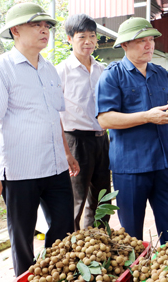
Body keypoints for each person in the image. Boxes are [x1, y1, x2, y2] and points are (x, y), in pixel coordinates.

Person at [0, 2, 79, 276]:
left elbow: (53, 115)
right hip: (21, 172)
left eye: (47, 26)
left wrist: (67, 153)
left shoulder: (49, 69)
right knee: (22, 239)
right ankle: (25, 277)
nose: (45, 30)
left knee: (64, 231)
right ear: (15, 31)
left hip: (56, 168)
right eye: (36, 25)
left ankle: (55, 275)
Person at [96, 17, 168, 244]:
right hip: (130, 166)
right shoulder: (112, 75)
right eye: (141, 41)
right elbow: (105, 119)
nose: (149, 45)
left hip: (164, 162)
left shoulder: (160, 74)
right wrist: (147, 116)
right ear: (124, 45)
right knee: (131, 234)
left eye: (151, 39)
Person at [56, 14, 111, 231]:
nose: (88, 41)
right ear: (69, 39)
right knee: (75, 200)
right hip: (75, 140)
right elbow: (54, 113)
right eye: (82, 37)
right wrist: (66, 152)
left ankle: (96, 242)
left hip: (101, 139)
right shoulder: (61, 71)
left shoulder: (102, 70)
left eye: (92, 36)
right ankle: (71, 246)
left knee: (102, 198)